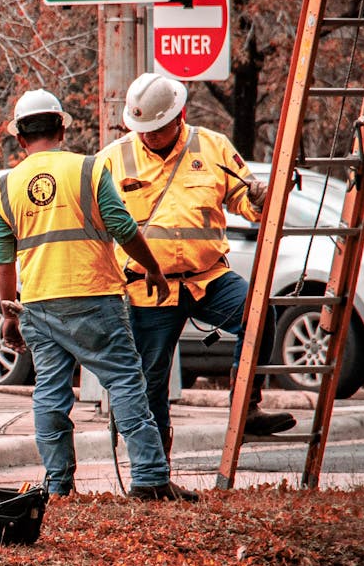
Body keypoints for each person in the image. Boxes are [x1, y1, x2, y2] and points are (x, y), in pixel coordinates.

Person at [0, 89, 198, 501]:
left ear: (19, 138)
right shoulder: (88, 169)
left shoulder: (5, 186)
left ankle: (57, 484)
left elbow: (3, 261)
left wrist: (10, 315)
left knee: (50, 393)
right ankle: (150, 478)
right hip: (94, 297)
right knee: (125, 383)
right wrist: (153, 269)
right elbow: (123, 228)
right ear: (62, 128)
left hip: (38, 304)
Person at [101, 72, 297, 459]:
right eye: (141, 129)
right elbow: (97, 224)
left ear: (180, 116)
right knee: (151, 382)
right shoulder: (113, 159)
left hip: (208, 278)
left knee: (257, 313)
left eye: (156, 129)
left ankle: (247, 408)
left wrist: (259, 197)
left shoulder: (213, 148)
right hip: (147, 287)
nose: (148, 136)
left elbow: (249, 203)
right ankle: (156, 465)